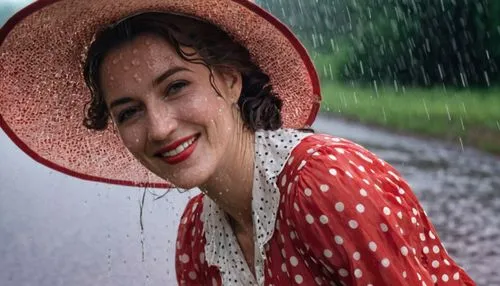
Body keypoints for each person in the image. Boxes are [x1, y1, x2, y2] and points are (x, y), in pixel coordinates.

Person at [0, 0, 475, 285]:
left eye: (175, 87)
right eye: (129, 111)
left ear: (230, 80)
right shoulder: (197, 237)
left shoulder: (324, 183)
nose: (160, 127)